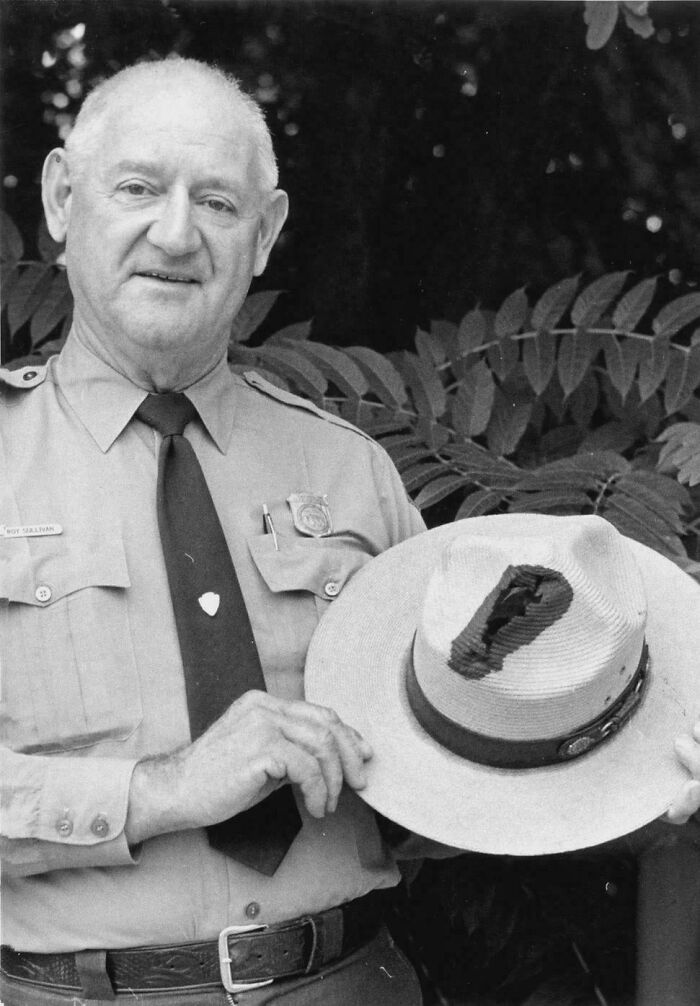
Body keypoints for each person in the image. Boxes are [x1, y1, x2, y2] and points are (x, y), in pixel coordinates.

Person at [0, 56, 698, 1006]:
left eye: (216, 201)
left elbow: (450, 775)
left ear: (266, 234)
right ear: (59, 198)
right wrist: (164, 790)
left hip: (350, 983)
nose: (176, 232)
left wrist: (643, 777)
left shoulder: (350, 470)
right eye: (137, 188)